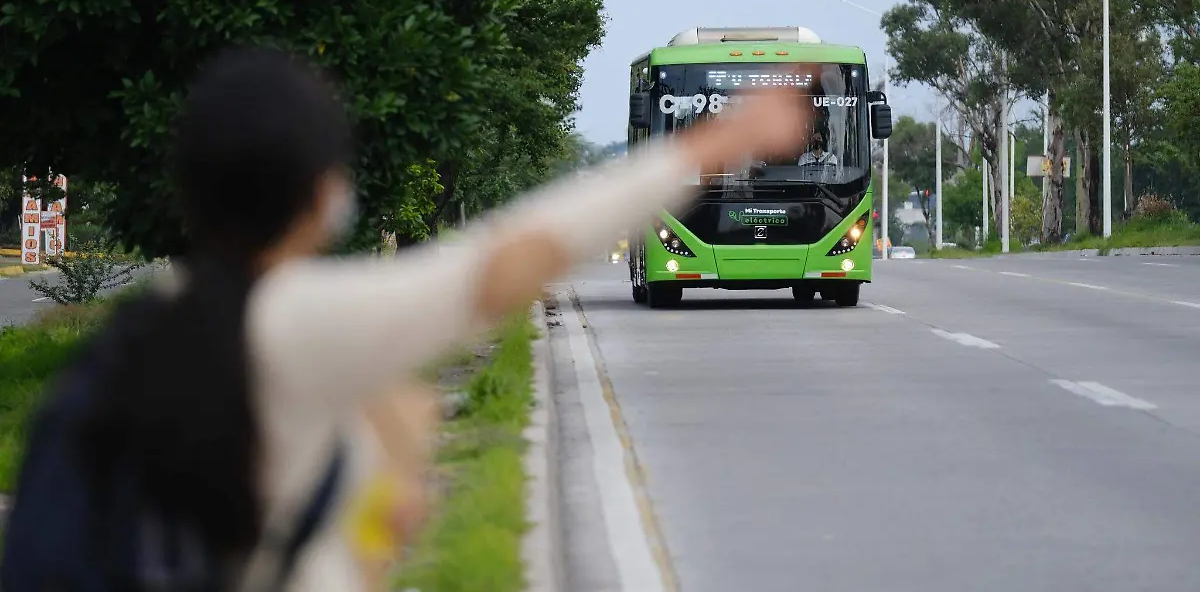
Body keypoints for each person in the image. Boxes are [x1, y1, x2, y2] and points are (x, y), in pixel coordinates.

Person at [1, 47, 810, 591]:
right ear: (320, 192)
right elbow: (500, 264)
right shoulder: (299, 323)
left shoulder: (140, 331)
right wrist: (718, 143)